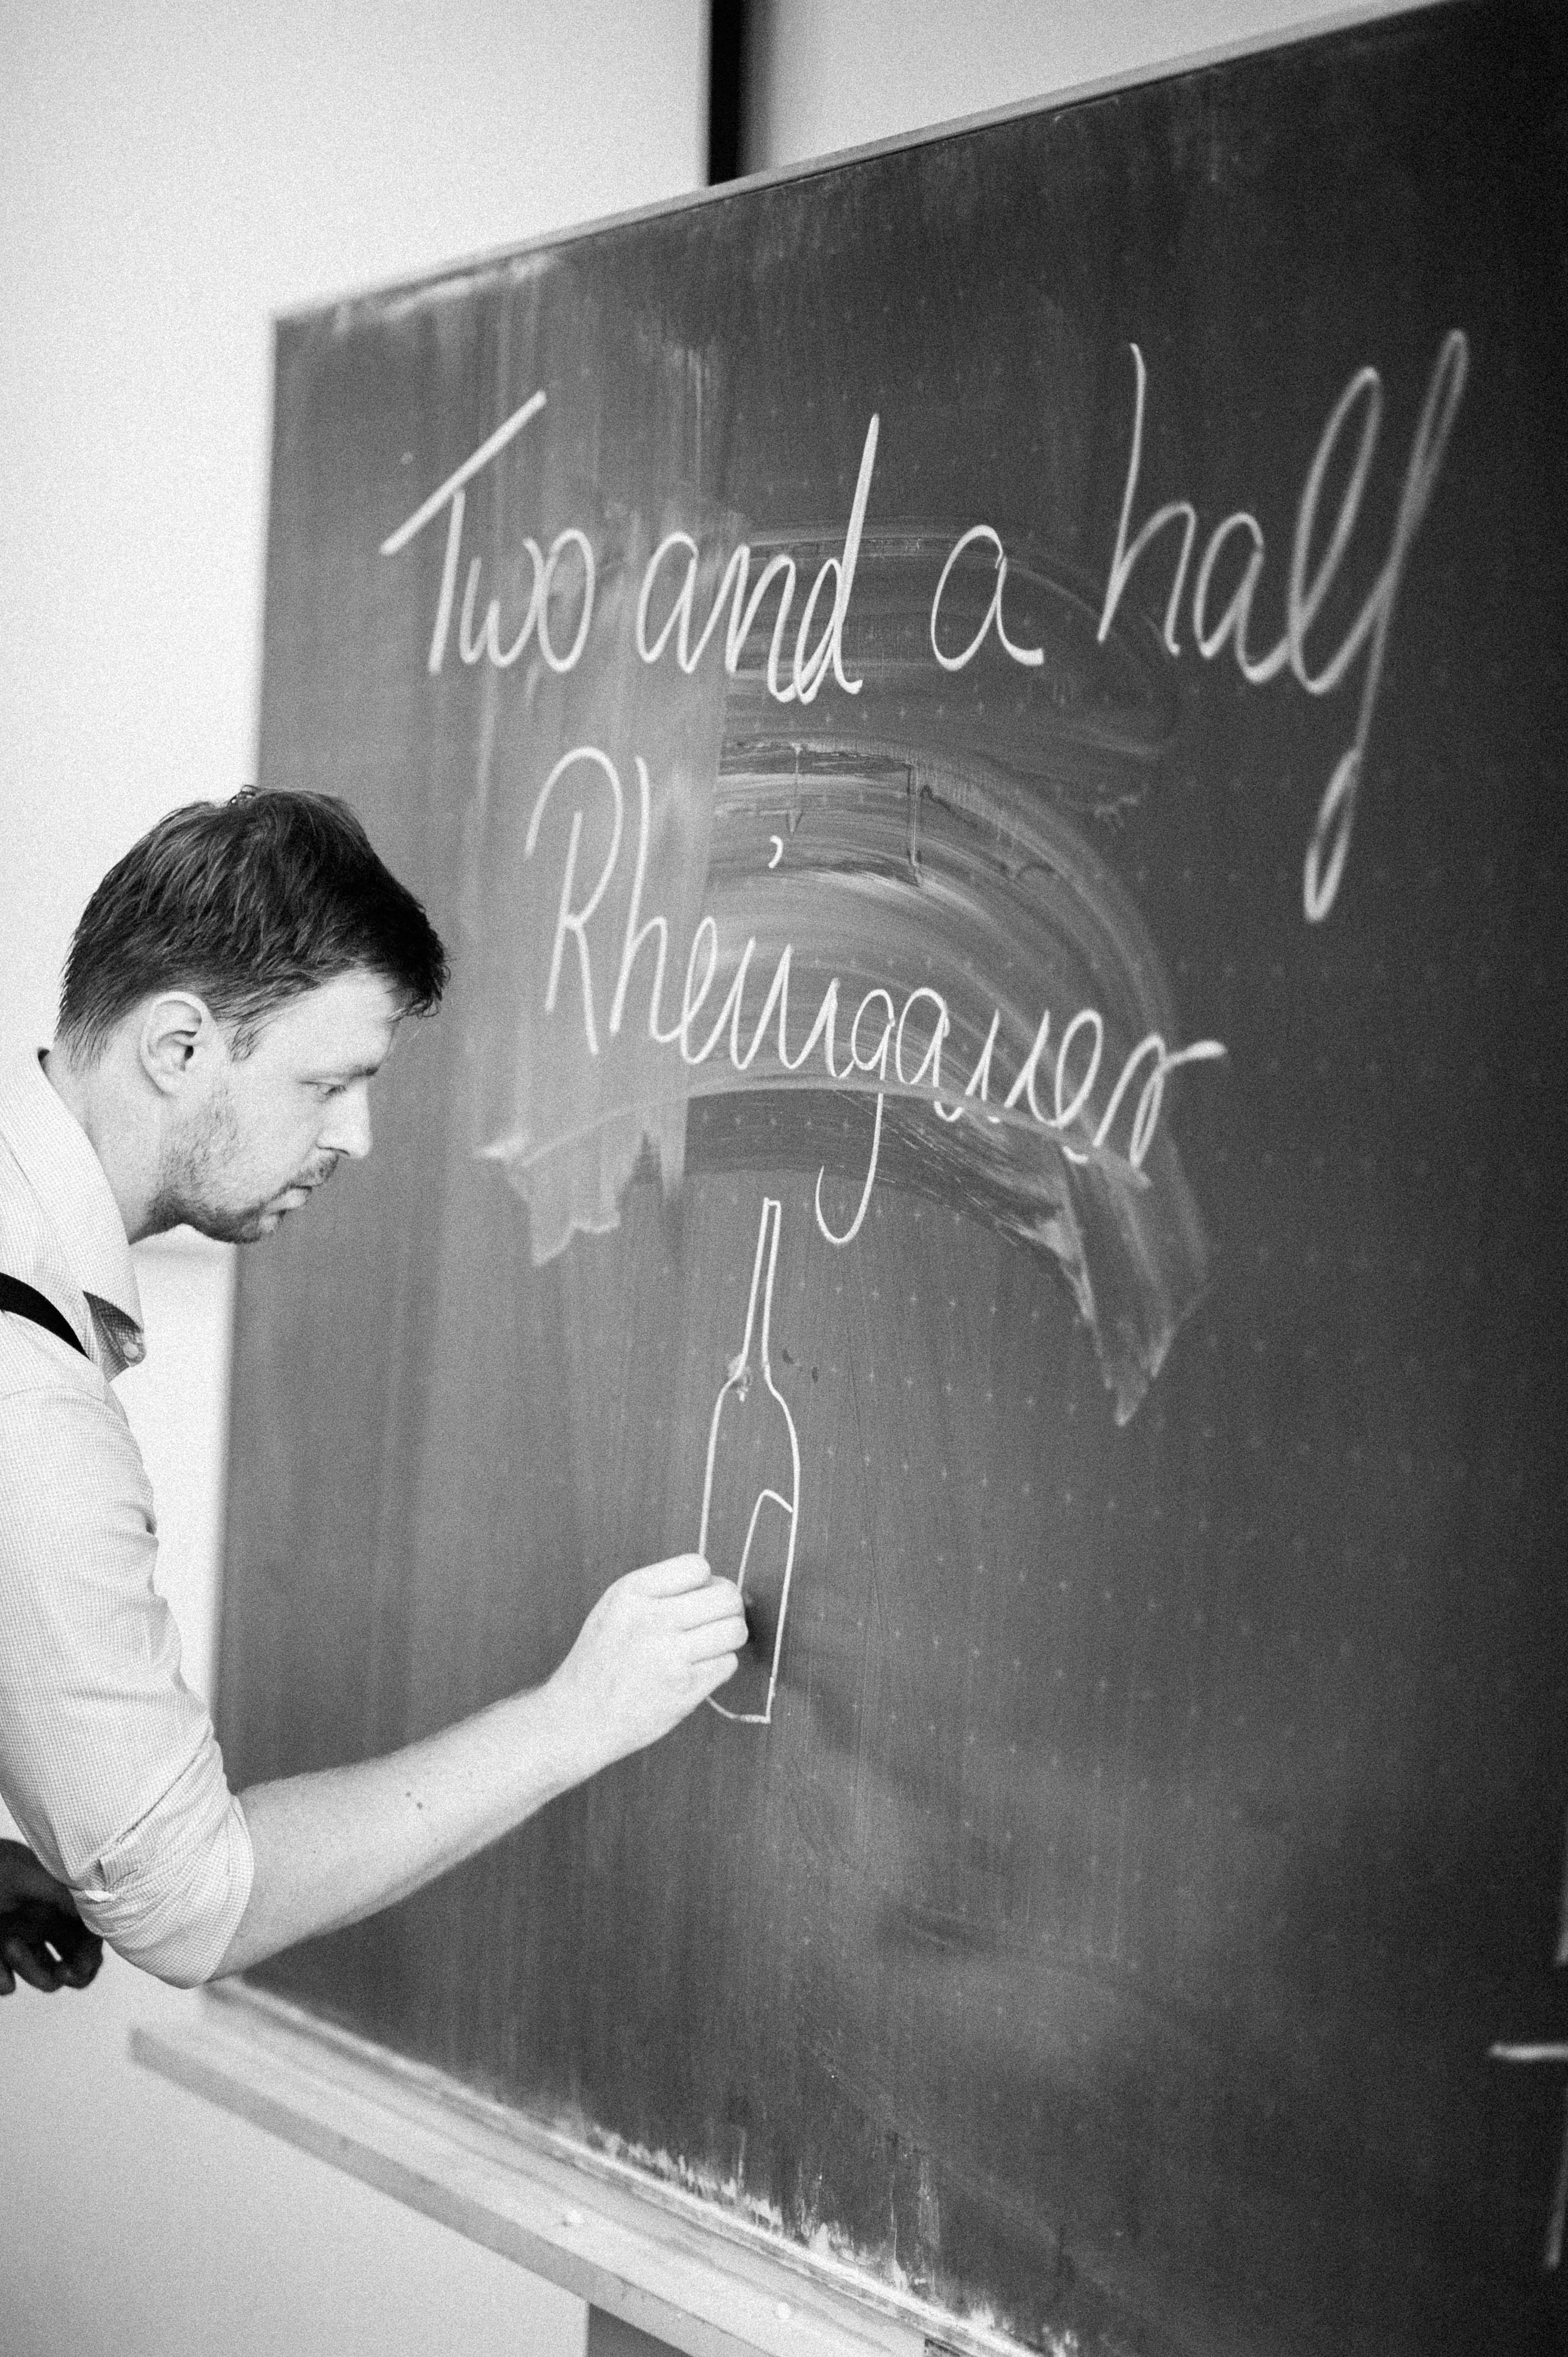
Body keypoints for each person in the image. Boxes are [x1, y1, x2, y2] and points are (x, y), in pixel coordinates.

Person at [0, 788, 746, 1991]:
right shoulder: (29, 1395)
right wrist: (574, 1718)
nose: (358, 1135)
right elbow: (190, 1908)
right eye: (326, 1084)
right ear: (178, 1047)